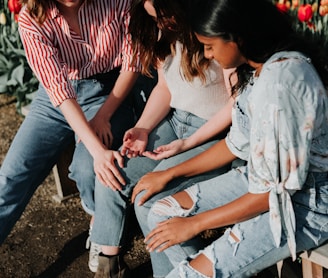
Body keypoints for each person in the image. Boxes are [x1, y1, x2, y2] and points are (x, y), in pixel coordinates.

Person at [139, 0, 328, 277]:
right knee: (161, 212)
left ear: (238, 36)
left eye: (209, 45)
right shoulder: (256, 68)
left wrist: (195, 224)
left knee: (187, 271)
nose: (206, 54)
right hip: (265, 182)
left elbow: (269, 196)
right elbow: (234, 145)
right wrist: (169, 174)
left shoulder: (280, 85)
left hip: (307, 204)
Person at [89, 0, 235, 276]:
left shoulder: (211, 30)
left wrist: (188, 144)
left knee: (149, 198)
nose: (159, 24)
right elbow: (165, 87)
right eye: (153, 18)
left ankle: (185, 271)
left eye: (163, 16)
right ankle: (109, 267)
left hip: (212, 133)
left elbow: (235, 106)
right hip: (175, 121)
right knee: (111, 173)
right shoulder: (163, 31)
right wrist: (143, 128)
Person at [0, 0, 141, 273]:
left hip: (109, 93)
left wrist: (103, 116)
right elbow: (59, 91)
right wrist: (96, 147)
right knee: (11, 176)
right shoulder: (31, 16)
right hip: (56, 100)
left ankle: (99, 222)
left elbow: (133, 60)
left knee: (89, 168)